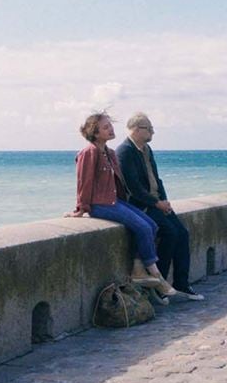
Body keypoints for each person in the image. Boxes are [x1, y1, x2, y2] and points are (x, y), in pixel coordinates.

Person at [66, 112, 177, 299]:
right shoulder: (89, 152)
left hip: (115, 201)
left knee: (151, 225)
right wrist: (81, 208)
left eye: (110, 125)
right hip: (99, 204)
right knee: (142, 227)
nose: (111, 129)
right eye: (105, 127)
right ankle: (157, 277)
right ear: (95, 132)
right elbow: (83, 182)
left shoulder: (109, 153)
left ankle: (138, 269)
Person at [116, 112, 205, 301]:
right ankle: (159, 285)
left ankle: (182, 283)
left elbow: (156, 180)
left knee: (182, 233)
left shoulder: (146, 149)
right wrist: (156, 203)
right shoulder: (125, 151)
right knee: (169, 233)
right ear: (136, 129)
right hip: (142, 206)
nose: (152, 133)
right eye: (149, 129)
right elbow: (133, 188)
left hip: (158, 203)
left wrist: (165, 201)